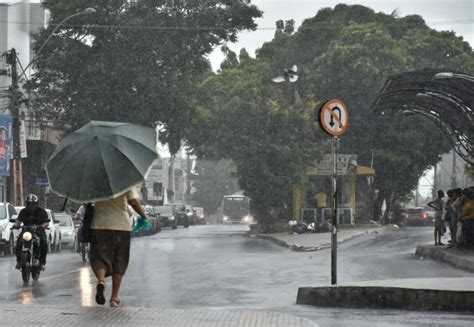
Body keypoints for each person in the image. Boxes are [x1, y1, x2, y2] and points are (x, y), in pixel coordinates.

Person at [90, 188, 148, 308]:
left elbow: (88, 200)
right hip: (121, 226)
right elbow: (134, 202)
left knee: (100, 256)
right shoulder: (126, 181)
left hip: (99, 225)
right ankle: (114, 298)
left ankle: (101, 280)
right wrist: (143, 215)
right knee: (119, 260)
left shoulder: (96, 181)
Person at [14, 194, 50, 270]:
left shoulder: (42, 211)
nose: (31, 205)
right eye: (29, 204)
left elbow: (46, 222)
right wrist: (16, 224)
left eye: (32, 204)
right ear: (26, 203)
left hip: (38, 231)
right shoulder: (23, 211)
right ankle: (19, 261)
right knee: (18, 242)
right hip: (26, 231)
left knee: (44, 242)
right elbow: (18, 220)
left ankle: (42, 262)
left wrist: (42, 226)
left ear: (36, 204)